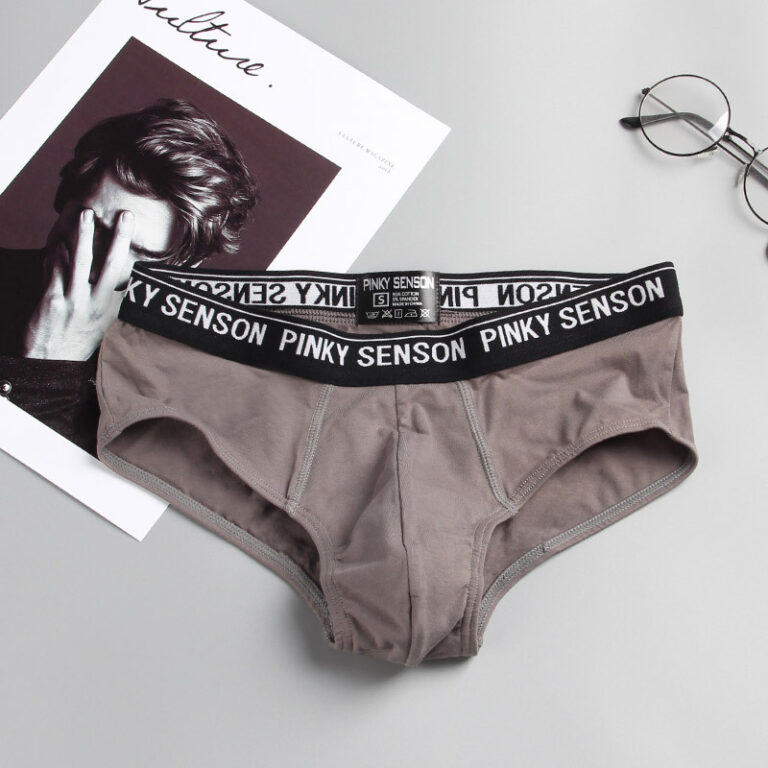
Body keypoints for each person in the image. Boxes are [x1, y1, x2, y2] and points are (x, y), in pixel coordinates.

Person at [0, 98, 258, 454]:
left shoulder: (185, 391)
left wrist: (49, 370)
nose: (99, 263)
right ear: (64, 198)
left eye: (137, 251)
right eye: (91, 225)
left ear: (182, 267)